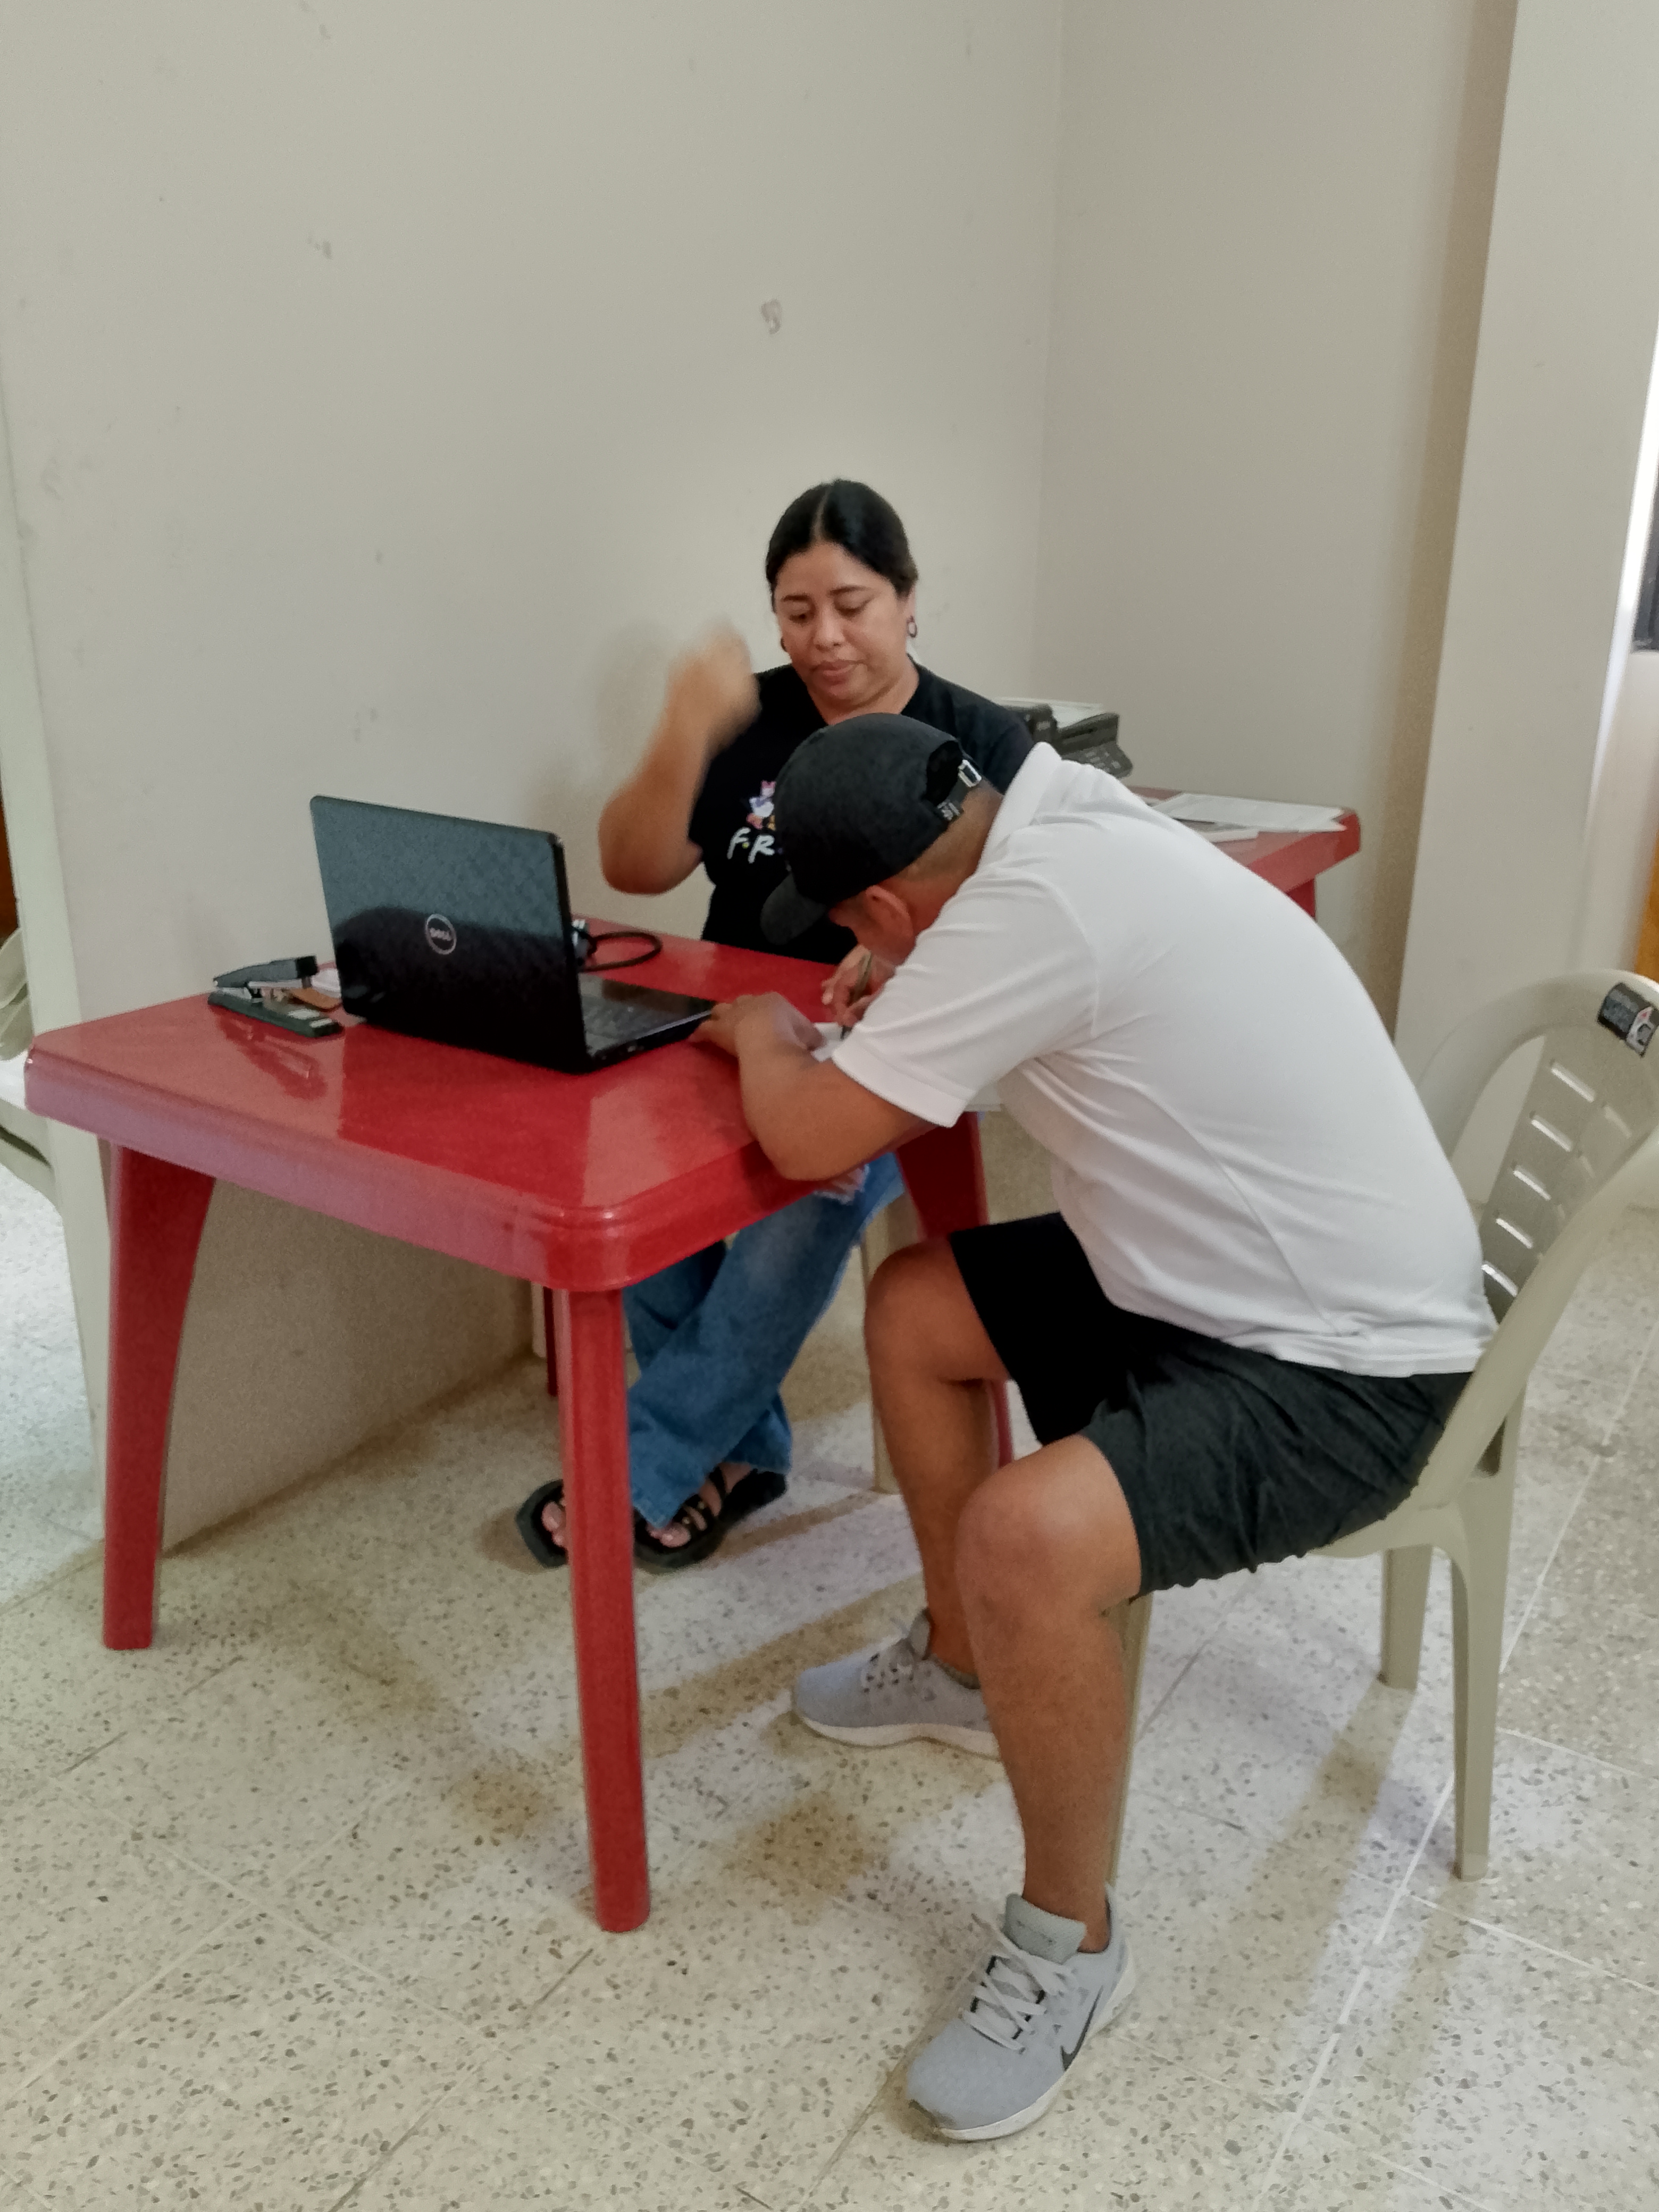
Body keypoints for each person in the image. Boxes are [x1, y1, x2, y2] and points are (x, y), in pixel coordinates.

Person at [699, 715, 1493, 2140]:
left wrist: (764, 1030)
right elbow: (1009, 969)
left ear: (885, 908)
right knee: (918, 1310)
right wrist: (915, 969)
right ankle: (961, 1667)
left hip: (1352, 1369)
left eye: (853, 927)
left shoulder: (1030, 914)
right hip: (1239, 1273)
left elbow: (808, 1136)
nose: (854, 947)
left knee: (1028, 1538)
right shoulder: (1067, 821)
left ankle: (1070, 1944)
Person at [516, 481, 1030, 1569]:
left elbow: (1022, 919)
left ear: (909, 602)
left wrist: (904, 958)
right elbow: (634, 867)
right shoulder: (749, 718)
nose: (825, 637)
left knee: (806, 1200)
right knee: (624, 1185)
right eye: (797, 613)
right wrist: (686, 725)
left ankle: (639, 1469)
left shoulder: (977, 742)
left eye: (852, 605)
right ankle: (741, 1451)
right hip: (726, 1026)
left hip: (889, 1049)